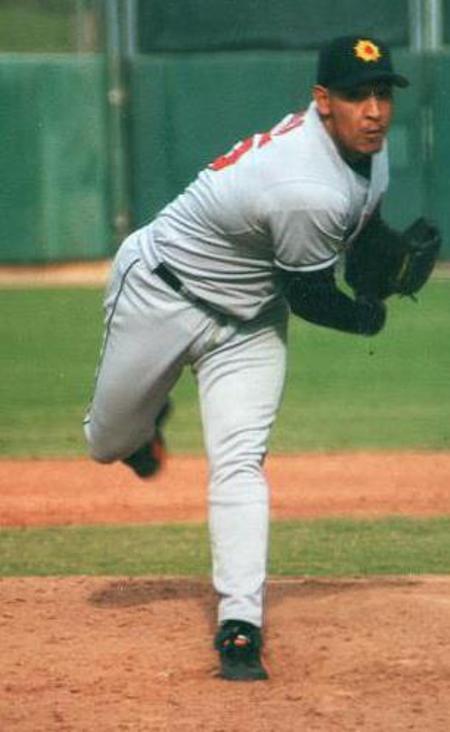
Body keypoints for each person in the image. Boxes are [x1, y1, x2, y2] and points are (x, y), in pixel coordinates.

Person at [84, 35, 409, 681]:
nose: (374, 111)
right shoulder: (302, 184)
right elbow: (313, 296)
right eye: (356, 96)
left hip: (250, 323)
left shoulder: (369, 155)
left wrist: (381, 252)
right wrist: (370, 314)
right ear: (323, 101)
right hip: (161, 293)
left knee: (239, 462)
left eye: (382, 93)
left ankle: (240, 625)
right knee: (106, 442)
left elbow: (363, 224)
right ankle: (142, 426)